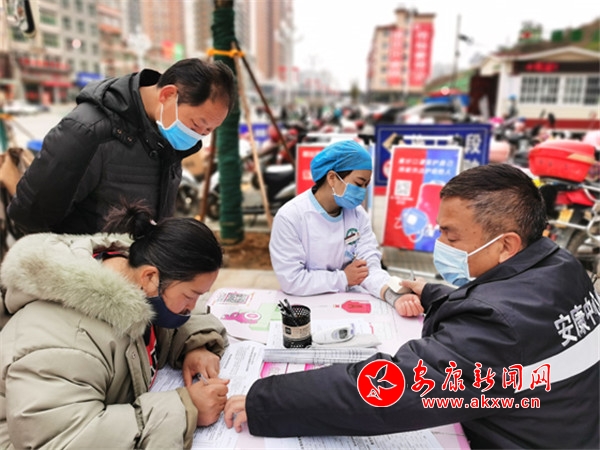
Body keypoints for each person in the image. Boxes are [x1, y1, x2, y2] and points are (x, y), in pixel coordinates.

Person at [225, 164, 599, 449]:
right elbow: (508, 311)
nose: (440, 243)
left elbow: (388, 388)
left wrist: (266, 402)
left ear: (506, 245)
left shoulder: (498, 325)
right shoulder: (563, 267)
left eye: (451, 235)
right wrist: (435, 293)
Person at [0, 202, 231, 449]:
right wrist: (186, 409)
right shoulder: (64, 340)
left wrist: (194, 345)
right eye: (190, 296)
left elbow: (173, 316)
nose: (192, 307)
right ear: (150, 277)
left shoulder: (133, 273)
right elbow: (63, 440)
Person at [7, 58, 236, 235]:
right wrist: (92, 259)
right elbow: (29, 215)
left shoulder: (164, 135)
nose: (197, 136)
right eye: (197, 125)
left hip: (139, 274)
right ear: (168, 95)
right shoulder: (88, 131)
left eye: (208, 131)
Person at [269, 139, 422, 317]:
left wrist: (394, 296)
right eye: (359, 183)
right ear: (332, 178)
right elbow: (292, 280)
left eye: (366, 185)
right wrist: (343, 278)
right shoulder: (290, 217)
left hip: (348, 305)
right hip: (306, 306)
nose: (362, 191)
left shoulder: (357, 215)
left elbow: (369, 268)